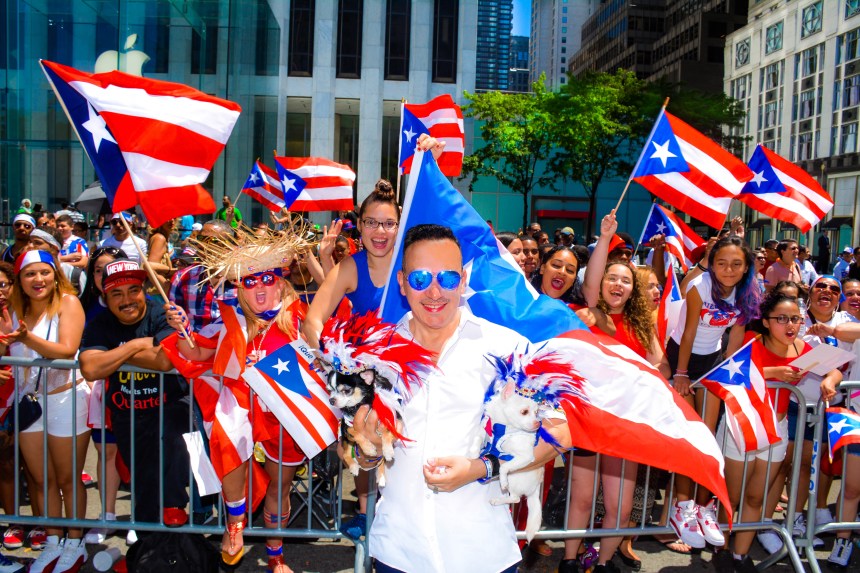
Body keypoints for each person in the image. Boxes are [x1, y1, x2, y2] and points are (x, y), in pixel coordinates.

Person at [350, 224, 571, 573]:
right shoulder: (376, 354)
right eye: (421, 278)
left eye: (448, 278)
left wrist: (480, 469)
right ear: (402, 282)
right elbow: (361, 455)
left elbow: (559, 432)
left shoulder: (505, 348)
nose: (435, 291)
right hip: (399, 551)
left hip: (481, 553)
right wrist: (367, 449)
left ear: (464, 280)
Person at [164, 227, 311, 573]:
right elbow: (195, 350)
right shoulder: (228, 320)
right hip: (242, 406)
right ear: (238, 287)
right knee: (227, 441)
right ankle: (234, 524)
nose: (259, 286)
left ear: (280, 280)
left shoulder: (299, 319)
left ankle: (276, 556)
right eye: (249, 281)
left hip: (284, 414)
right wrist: (180, 326)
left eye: (267, 277)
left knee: (280, 488)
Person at [562, 211, 672, 573]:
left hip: (626, 426)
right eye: (612, 277)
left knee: (619, 506)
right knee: (580, 499)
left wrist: (656, 377)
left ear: (633, 289)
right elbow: (592, 282)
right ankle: (569, 561)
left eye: (626, 280)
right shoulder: (590, 314)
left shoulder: (642, 327)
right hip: (588, 421)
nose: (618, 284)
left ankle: (604, 562)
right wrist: (606, 238)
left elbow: (663, 367)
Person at [719, 294, 840, 572]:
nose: (790, 325)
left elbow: (834, 371)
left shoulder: (802, 347)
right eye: (781, 319)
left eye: (796, 319)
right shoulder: (751, 340)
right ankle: (722, 550)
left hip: (778, 429)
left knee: (756, 498)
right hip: (742, 425)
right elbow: (726, 373)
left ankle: (740, 555)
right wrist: (773, 372)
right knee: (732, 496)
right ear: (766, 321)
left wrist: (830, 382)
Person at [79, 259, 192, 529]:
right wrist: (133, 347)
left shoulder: (162, 312)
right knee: (142, 485)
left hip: (169, 409)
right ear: (105, 297)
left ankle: (174, 526)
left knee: (166, 480)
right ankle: (147, 550)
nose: (127, 299)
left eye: (133, 290)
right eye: (117, 293)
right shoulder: (99, 323)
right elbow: (91, 367)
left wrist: (112, 354)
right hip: (128, 415)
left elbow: (165, 360)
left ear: (144, 290)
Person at [668, 235, 761, 547]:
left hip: (712, 360)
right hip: (682, 355)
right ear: (711, 263)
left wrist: (726, 375)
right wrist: (681, 373)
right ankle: (681, 508)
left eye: (736, 264)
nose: (729, 269)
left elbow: (734, 340)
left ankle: (703, 507)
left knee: (707, 440)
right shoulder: (700, 286)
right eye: (721, 263)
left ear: (747, 266)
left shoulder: (749, 292)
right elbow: (690, 330)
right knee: (690, 437)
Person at [0, 249, 89, 573]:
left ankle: (75, 543)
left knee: (68, 478)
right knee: (40, 480)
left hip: (66, 397)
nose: (38, 280)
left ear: (55, 274)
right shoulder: (12, 308)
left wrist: (27, 338)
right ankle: (53, 541)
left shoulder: (68, 303)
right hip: (28, 403)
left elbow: (67, 351)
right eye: (30, 274)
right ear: (19, 281)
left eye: (44, 272)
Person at [168, 219, 236, 332]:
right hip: (193, 345)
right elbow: (173, 324)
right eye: (201, 239)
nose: (203, 245)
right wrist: (173, 318)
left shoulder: (245, 279)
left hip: (233, 346)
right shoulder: (182, 277)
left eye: (212, 241)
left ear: (228, 245)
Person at [145, 219, 176, 300]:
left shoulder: (162, 237)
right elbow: (150, 266)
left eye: (174, 217)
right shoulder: (160, 238)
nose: (171, 220)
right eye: (167, 217)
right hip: (156, 292)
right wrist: (174, 271)